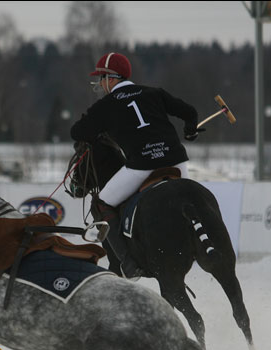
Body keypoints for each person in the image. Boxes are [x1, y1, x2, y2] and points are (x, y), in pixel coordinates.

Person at [70, 52, 200, 278]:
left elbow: (77, 132)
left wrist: (98, 128)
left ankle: (128, 264)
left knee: (101, 204)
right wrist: (190, 130)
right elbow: (190, 112)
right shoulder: (154, 93)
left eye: (102, 78)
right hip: (177, 162)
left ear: (111, 78)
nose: (101, 84)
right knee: (188, 202)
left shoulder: (106, 105)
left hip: (143, 166)